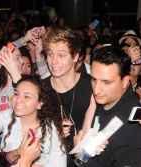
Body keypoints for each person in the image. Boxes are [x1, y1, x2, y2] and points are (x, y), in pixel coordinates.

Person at [76, 46, 141, 167]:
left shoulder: (135, 126)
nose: (96, 89)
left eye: (107, 82)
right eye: (94, 79)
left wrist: (82, 157)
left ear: (125, 81)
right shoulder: (106, 99)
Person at [42, 25, 96, 166]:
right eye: (50, 54)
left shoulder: (91, 85)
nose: (54, 61)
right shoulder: (41, 89)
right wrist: (53, 131)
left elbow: (88, 131)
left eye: (61, 55)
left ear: (76, 57)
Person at [0, 75, 67, 167]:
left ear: (40, 103)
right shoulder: (7, 116)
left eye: (27, 96)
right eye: (16, 94)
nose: (18, 100)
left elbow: (59, 162)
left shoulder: (51, 129)